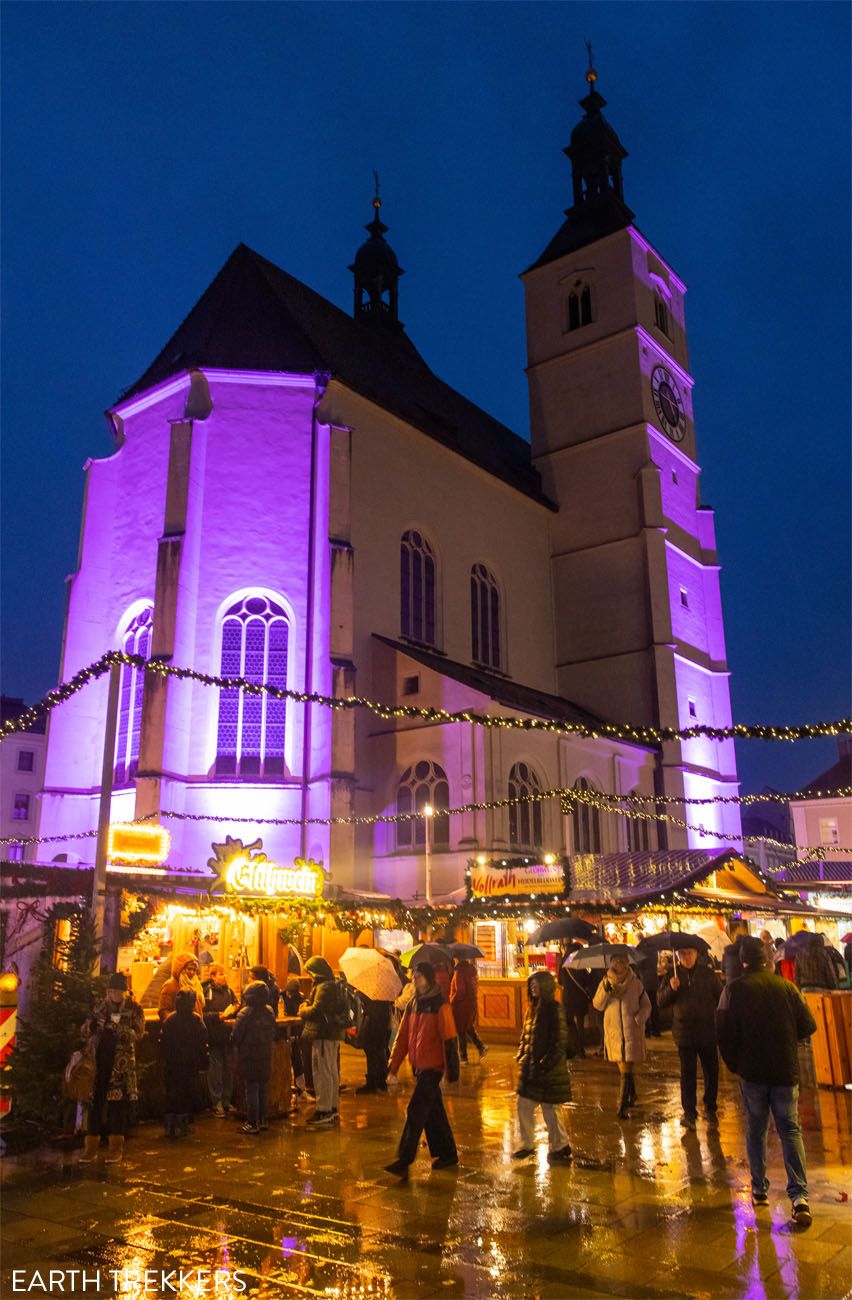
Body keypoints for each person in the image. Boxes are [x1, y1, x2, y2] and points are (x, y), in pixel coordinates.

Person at [716, 935, 817, 1227]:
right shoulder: (787, 988)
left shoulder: (732, 991)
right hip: (785, 1072)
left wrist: (736, 1064)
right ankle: (800, 1198)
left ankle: (759, 1189)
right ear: (769, 961)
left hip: (753, 1074)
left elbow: (722, 1032)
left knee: (756, 1130)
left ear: (743, 963)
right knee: (790, 1131)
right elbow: (807, 1026)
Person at [385, 962, 460, 1177]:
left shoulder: (440, 1004)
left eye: (418, 976)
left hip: (433, 1068)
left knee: (416, 1111)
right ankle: (447, 1153)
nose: (414, 980)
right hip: (419, 1066)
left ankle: (404, 1158)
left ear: (428, 978)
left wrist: (449, 1072)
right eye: (413, 976)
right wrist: (393, 1067)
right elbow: (403, 1037)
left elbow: (449, 1039)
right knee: (434, 1112)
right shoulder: (414, 1004)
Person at [79, 973, 145, 1165]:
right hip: (98, 1062)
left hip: (120, 1065)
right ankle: (90, 1148)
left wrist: (121, 1031)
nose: (114, 994)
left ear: (123, 992)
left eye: (117, 991)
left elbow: (139, 1032)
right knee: (95, 1104)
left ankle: (116, 1148)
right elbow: (85, 1029)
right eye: (111, 991)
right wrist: (93, 1027)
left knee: (117, 1105)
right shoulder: (99, 1007)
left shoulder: (133, 1007)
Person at [657, 943, 722, 1130]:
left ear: (696, 954)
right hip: (685, 1033)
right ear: (678, 955)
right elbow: (661, 1001)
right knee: (688, 1075)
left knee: (712, 1071)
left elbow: (720, 996)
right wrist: (671, 988)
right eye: (682, 953)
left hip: (707, 1030)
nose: (686, 957)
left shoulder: (707, 974)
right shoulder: (672, 975)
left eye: (689, 953)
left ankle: (710, 1108)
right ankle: (689, 1113)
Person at [513, 972, 572, 1163]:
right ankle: (527, 1144)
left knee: (551, 1108)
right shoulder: (532, 1009)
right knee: (523, 1104)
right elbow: (525, 1035)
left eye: (536, 984)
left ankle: (560, 1145)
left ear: (545, 986)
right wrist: (522, 1054)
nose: (533, 987)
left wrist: (546, 1062)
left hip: (548, 1069)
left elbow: (559, 1039)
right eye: (531, 984)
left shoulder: (554, 1009)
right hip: (531, 1067)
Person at [592, 954, 651, 1118]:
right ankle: (632, 1096)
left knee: (626, 1068)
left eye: (623, 961)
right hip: (614, 1031)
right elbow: (597, 1004)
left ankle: (622, 1106)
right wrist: (605, 991)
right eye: (617, 961)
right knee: (624, 1068)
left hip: (632, 1029)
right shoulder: (605, 983)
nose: (621, 964)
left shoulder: (636, 983)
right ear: (612, 964)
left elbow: (647, 1005)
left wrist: (639, 1019)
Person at [299, 956, 345, 1126]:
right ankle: (331, 1107)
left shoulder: (325, 986)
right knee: (330, 1070)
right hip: (330, 1033)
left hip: (324, 1033)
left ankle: (324, 1109)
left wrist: (303, 1010)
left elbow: (318, 1010)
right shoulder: (329, 984)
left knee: (323, 1072)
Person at [160, 989, 209, 1138]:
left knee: (171, 1093)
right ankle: (183, 1125)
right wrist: (202, 1060)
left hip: (172, 1063)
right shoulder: (196, 1019)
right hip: (190, 1063)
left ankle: (169, 1125)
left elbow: (163, 1043)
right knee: (186, 1093)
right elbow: (203, 1040)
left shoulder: (170, 1020)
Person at [232, 979, 277, 1134]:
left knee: (251, 1088)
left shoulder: (245, 1013)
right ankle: (263, 1120)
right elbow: (273, 1031)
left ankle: (252, 1123)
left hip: (249, 1055)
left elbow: (236, 1035)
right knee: (263, 1088)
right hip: (265, 1054)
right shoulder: (269, 1011)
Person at [202, 963, 237, 1115]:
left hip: (228, 1036)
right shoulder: (205, 991)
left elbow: (236, 1005)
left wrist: (235, 1008)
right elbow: (201, 1014)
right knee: (215, 1071)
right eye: (221, 974)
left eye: (225, 974)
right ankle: (216, 1103)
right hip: (214, 1037)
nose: (224, 976)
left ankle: (227, 1101)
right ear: (213, 976)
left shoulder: (229, 991)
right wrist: (218, 1016)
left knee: (228, 1070)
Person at [450, 958, 487, 1063]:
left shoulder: (459, 972)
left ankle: (463, 1057)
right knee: (468, 1027)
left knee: (460, 1029)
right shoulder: (472, 970)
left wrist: (451, 1001)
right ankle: (481, 1047)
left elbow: (460, 991)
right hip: (471, 1003)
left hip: (461, 1005)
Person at [558, 953, 593, 1058]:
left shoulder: (564, 966)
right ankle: (581, 1050)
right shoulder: (582, 966)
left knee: (569, 1022)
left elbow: (560, 982)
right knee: (580, 1024)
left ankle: (571, 1048)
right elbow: (587, 982)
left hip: (568, 998)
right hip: (580, 998)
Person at [356, 995, 393, 1094]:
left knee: (372, 1053)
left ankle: (372, 1083)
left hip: (373, 1026)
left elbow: (371, 1009)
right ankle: (381, 1082)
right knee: (380, 1052)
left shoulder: (373, 994)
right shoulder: (385, 994)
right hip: (381, 1025)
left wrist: (362, 998)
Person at [158, 952, 204, 1020]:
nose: (192, 972)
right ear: (180, 968)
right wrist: (178, 1023)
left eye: (194, 970)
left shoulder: (196, 985)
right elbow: (163, 1011)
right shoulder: (170, 986)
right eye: (189, 969)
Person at [282, 977, 308, 1095]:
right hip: (284, 1032)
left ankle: (301, 1089)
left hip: (296, 1032)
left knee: (297, 1059)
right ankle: (287, 1088)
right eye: (289, 992)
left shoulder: (300, 997)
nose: (290, 995)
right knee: (285, 1061)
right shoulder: (280, 996)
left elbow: (301, 1012)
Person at [635, 939, 662, 1039]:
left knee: (645, 1007)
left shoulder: (641, 954)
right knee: (654, 1006)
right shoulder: (654, 952)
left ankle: (647, 1031)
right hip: (654, 982)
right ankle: (657, 1030)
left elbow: (638, 966)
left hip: (644, 983)